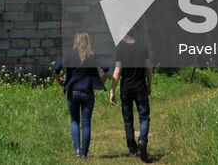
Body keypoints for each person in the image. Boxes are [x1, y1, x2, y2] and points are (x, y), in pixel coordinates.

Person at [55, 31, 108, 158]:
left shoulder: (69, 54)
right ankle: (84, 154)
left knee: (74, 120)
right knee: (86, 123)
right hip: (87, 92)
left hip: (73, 92)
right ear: (88, 41)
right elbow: (106, 68)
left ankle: (77, 151)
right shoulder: (93, 55)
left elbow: (57, 67)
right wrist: (101, 81)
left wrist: (59, 80)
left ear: (76, 41)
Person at [109, 27, 152, 162]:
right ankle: (143, 140)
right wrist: (149, 85)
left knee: (128, 120)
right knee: (144, 116)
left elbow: (117, 71)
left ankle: (133, 150)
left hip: (126, 89)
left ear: (125, 33)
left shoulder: (121, 48)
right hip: (140, 87)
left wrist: (112, 90)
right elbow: (149, 69)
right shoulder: (142, 46)